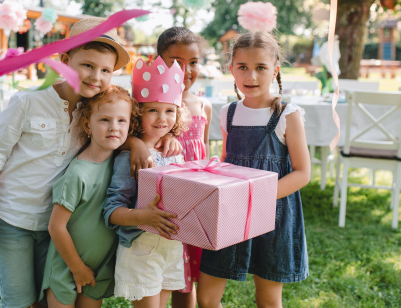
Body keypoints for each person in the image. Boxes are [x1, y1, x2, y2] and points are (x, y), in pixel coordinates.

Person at [0, 17, 180, 308]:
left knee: (46, 296)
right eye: (88, 65)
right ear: (65, 60)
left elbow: (114, 130)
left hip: (54, 224)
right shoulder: (27, 102)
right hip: (13, 218)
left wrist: (135, 143)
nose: (96, 76)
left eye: (105, 70)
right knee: (19, 300)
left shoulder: (91, 109)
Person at [197, 32, 311, 308]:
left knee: (268, 299)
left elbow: (302, 173)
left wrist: (258, 195)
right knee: (206, 297)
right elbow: (227, 160)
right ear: (231, 69)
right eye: (243, 67)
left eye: (261, 67)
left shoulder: (287, 114)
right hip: (230, 214)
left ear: (275, 70)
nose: (251, 76)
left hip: (273, 215)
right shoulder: (228, 113)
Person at [103, 56, 191, 308]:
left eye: (169, 111)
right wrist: (144, 216)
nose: (162, 118)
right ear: (137, 113)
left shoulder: (173, 151)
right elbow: (111, 211)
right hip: (141, 249)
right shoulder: (128, 157)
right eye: (152, 110)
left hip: (170, 247)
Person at [41, 86, 136, 308]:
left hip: (100, 266)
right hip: (66, 266)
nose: (114, 127)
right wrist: (77, 268)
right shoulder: (77, 173)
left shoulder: (120, 163)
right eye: (105, 119)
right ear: (87, 125)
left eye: (122, 121)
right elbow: (56, 227)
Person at [156, 27, 211, 308]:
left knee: (189, 274)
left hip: (198, 200)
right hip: (168, 199)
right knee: (169, 269)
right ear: (158, 62)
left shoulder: (203, 105)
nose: (186, 70)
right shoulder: (152, 105)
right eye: (176, 61)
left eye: (193, 62)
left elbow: (206, 154)